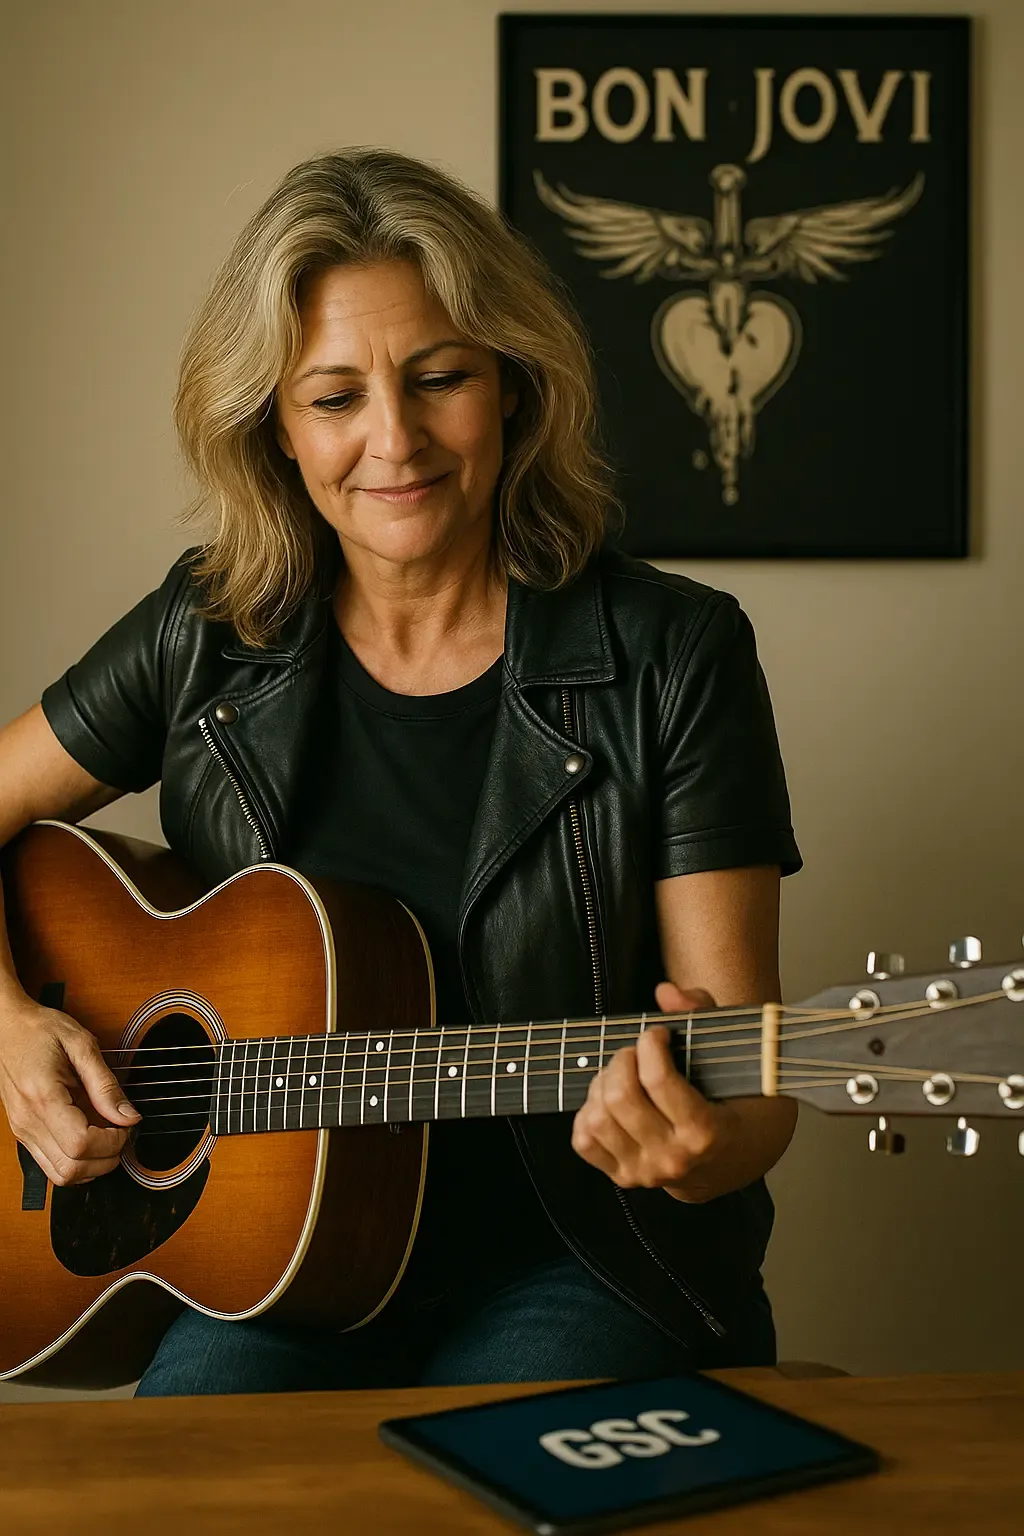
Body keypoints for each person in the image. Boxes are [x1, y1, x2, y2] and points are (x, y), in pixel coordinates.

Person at [0, 148, 801, 1396]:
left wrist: (696, 1149)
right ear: (271, 421)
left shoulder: (673, 654)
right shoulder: (201, 633)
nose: (394, 441)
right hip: (275, 1274)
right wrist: (10, 1023)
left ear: (513, 389)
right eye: (334, 398)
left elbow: (748, 1081)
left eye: (439, 379)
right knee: (170, 1489)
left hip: (574, 1261)